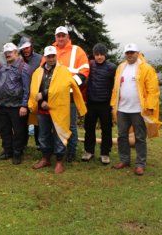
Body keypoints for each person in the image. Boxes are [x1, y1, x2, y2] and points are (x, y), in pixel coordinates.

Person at [29, 46, 87, 173]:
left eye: (53, 56)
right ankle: (45, 158)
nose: (51, 59)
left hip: (58, 109)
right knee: (43, 134)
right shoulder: (37, 72)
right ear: (44, 57)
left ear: (56, 56)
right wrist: (42, 101)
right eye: (48, 56)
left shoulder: (64, 71)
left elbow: (61, 89)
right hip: (42, 109)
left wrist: (44, 95)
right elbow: (34, 90)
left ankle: (60, 161)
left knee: (59, 134)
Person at [110, 43, 160, 176]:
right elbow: (115, 88)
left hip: (138, 110)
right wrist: (113, 104)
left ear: (138, 52)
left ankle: (140, 164)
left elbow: (153, 90)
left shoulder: (146, 68)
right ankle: (124, 160)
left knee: (140, 137)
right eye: (127, 52)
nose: (129, 55)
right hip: (122, 109)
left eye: (132, 52)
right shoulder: (121, 67)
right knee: (122, 136)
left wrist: (149, 106)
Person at [53, 26, 90, 162]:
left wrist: (71, 84)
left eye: (63, 35)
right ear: (55, 37)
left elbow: (85, 70)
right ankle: (58, 150)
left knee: (71, 125)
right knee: (56, 123)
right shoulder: (51, 51)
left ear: (68, 37)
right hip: (54, 95)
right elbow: (43, 70)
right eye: (59, 36)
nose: (61, 38)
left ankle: (71, 152)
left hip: (70, 94)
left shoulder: (77, 51)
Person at [0, 43, 32, 165]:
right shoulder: (2, 68)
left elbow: (27, 88)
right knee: (4, 130)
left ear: (16, 52)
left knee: (18, 131)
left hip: (17, 106)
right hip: (3, 105)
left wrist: (24, 105)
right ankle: (7, 151)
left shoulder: (24, 68)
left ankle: (17, 153)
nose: (8, 54)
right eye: (6, 53)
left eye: (10, 52)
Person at [82, 44, 117, 164]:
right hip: (91, 103)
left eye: (101, 54)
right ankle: (88, 151)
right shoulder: (90, 66)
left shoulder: (112, 67)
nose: (99, 57)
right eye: (97, 54)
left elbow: (116, 86)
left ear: (105, 55)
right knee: (89, 128)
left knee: (106, 129)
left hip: (105, 104)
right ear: (94, 55)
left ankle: (105, 153)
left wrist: (113, 102)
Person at [18, 37, 43, 150]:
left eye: (27, 47)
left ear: (31, 46)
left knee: (38, 120)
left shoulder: (40, 59)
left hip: (36, 93)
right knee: (23, 119)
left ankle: (39, 143)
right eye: (23, 48)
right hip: (23, 94)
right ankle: (23, 143)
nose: (26, 50)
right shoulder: (18, 59)